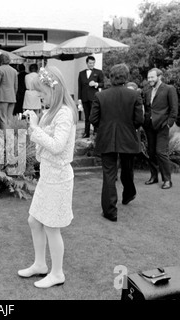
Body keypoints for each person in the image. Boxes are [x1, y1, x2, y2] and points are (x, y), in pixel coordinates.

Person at [18, 66, 78, 289]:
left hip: (59, 177)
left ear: (55, 89)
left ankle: (57, 273)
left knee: (52, 227)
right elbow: (42, 142)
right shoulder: (51, 111)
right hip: (48, 175)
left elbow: (57, 146)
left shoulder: (64, 112)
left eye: (42, 92)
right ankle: (40, 265)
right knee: (34, 221)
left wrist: (35, 128)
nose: (40, 97)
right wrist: (35, 124)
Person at [90, 64, 144, 222]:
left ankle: (110, 211)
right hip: (127, 137)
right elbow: (139, 120)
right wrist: (128, 128)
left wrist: (105, 127)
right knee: (127, 169)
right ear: (126, 78)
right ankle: (128, 194)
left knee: (109, 174)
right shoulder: (134, 96)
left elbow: (93, 119)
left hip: (107, 138)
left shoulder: (101, 96)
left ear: (110, 77)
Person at [143, 68, 178, 190]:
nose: (150, 80)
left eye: (152, 77)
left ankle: (167, 180)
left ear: (159, 76)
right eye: (148, 77)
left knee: (161, 152)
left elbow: (174, 109)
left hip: (163, 126)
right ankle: (154, 177)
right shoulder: (147, 91)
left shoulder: (169, 89)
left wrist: (169, 123)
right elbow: (147, 108)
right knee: (151, 152)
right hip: (149, 126)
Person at [77, 56, 104, 138]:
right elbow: (80, 87)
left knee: (95, 115)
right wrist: (79, 99)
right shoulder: (81, 73)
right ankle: (86, 132)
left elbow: (102, 84)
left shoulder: (98, 72)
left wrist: (96, 84)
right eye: (90, 63)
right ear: (87, 63)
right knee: (87, 116)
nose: (91, 64)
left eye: (93, 63)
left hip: (94, 97)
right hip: (85, 98)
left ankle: (96, 131)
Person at [0, 52, 18, 130]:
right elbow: (16, 86)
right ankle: (10, 138)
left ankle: (6, 138)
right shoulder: (14, 70)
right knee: (9, 118)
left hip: (2, 96)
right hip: (12, 96)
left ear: (0, 60)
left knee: (2, 118)